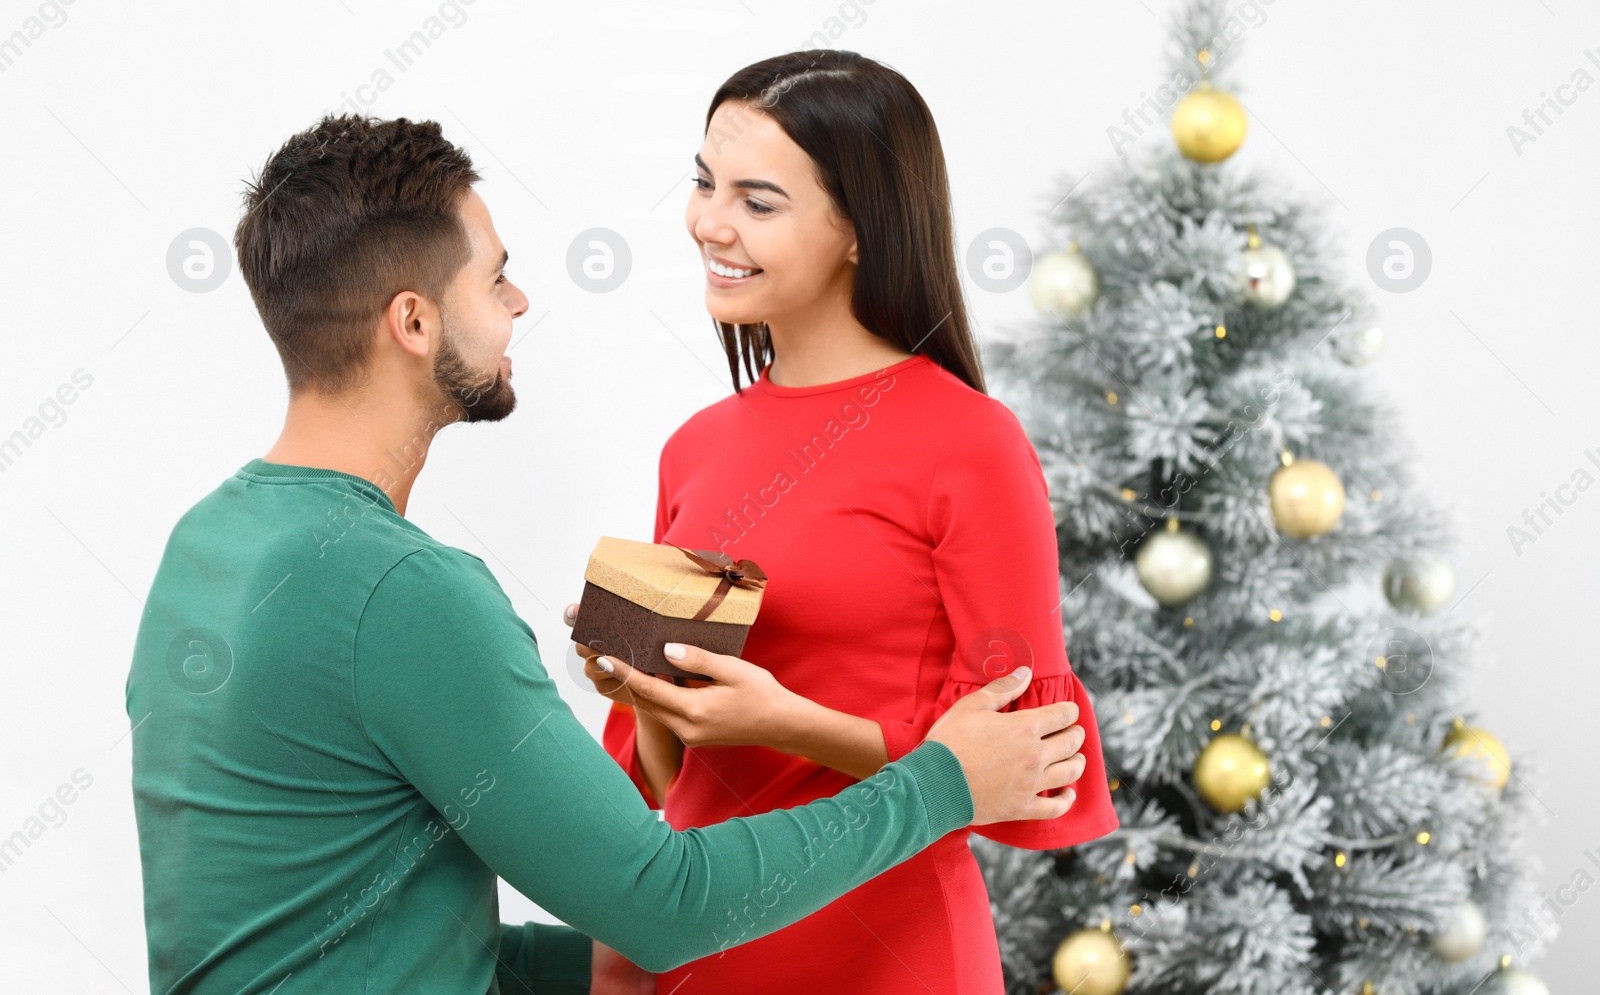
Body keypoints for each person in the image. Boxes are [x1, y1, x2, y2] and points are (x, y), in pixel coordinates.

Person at [123, 113, 1091, 994]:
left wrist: (587, 962)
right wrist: (944, 777)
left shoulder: (207, 541)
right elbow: (664, 903)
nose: (521, 300)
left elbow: (316, 930)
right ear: (413, 323)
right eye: (495, 277)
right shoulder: (403, 590)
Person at [585, 50, 1121, 994]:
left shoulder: (971, 444)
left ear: (860, 232)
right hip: (705, 951)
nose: (710, 222)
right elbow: (659, 780)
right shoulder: (693, 448)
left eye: (759, 201)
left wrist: (790, 722)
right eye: (706, 184)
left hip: (894, 952)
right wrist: (650, 698)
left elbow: (1026, 767)